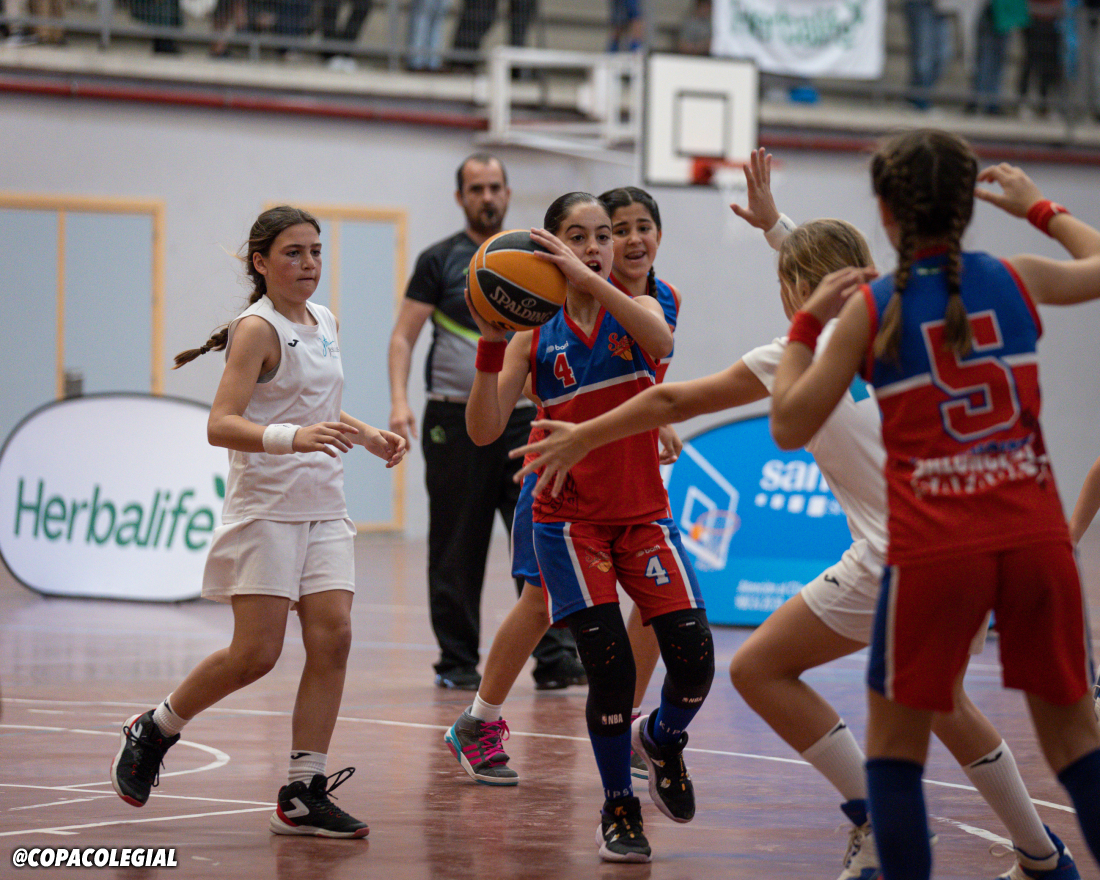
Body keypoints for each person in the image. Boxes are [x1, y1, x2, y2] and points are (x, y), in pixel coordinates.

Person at [514, 147, 1086, 880]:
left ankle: (876, 826)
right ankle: (1043, 856)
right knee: (968, 710)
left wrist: (585, 434)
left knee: (762, 671)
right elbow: (843, 277)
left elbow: (683, 400)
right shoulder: (919, 312)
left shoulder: (805, 348)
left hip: (906, 556)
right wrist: (1039, 208)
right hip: (1002, 539)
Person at [769, 128, 1100, 880]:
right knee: (1079, 749)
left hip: (935, 551)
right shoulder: (1016, 276)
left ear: (885, 212)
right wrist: (1040, 207)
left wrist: (806, 323)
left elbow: (788, 424)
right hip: (1036, 539)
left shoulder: (872, 308)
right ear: (968, 208)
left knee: (895, 755)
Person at [110, 206, 406, 838]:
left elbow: (315, 404)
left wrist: (366, 434)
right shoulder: (257, 329)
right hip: (267, 509)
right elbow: (221, 423)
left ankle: (302, 791)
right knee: (256, 654)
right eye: (294, 253)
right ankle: (155, 727)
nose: (309, 264)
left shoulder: (325, 320)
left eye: (316, 251)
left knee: (334, 639)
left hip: (324, 506)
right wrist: (292, 438)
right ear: (261, 262)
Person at [463, 191, 713, 863]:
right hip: (569, 517)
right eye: (580, 236)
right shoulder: (533, 332)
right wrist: (491, 344)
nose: (599, 246)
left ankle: (660, 738)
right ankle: (618, 807)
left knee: (695, 659)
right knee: (604, 666)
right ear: (549, 246)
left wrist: (589, 279)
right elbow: (483, 429)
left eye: (606, 235)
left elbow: (660, 344)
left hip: (642, 512)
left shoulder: (643, 303)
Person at [387, 153, 583, 692]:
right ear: (461, 197)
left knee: (541, 534)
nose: (487, 196)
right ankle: (456, 661)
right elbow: (403, 336)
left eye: (495, 186)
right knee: (456, 543)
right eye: (476, 188)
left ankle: (556, 657)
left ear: (508, 192)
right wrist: (399, 401)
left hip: (525, 420)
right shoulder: (439, 260)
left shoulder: (540, 259)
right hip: (453, 417)